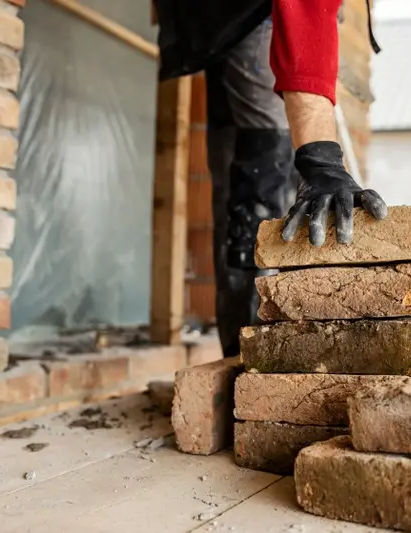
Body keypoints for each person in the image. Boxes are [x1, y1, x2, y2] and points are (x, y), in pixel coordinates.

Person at [156, 0, 389, 358]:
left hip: (226, 22)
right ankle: (257, 362)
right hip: (254, 16)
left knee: (243, 174)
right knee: (262, 180)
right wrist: (320, 157)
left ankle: (242, 360)